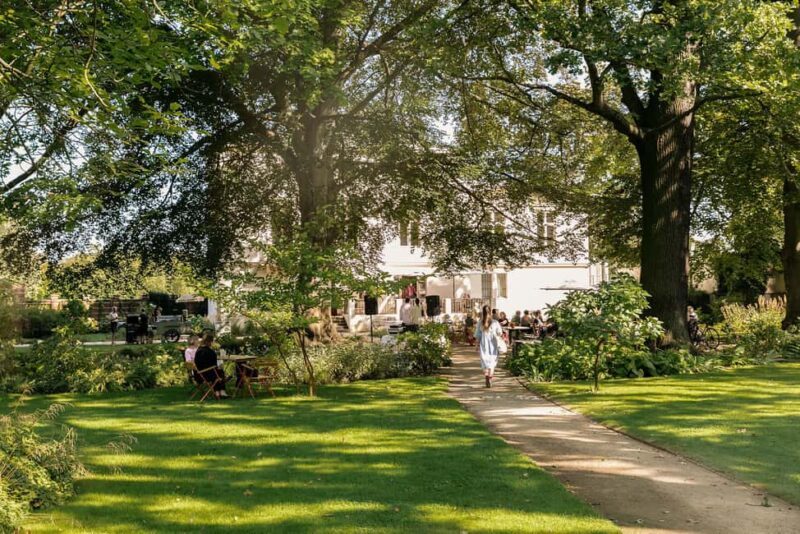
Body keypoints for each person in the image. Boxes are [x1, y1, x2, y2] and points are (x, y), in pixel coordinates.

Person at [475, 304, 502, 388]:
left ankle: (486, 377)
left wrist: (476, 345)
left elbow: (478, 335)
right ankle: (490, 377)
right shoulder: (495, 322)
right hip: (493, 344)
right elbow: (499, 333)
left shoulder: (480, 323)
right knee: (492, 362)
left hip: (484, 344)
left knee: (485, 362)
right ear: (490, 311)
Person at [193, 334, 228, 399]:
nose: (212, 343)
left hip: (198, 375)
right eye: (211, 342)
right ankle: (221, 392)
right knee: (220, 372)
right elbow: (213, 364)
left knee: (217, 372)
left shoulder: (199, 350)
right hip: (207, 375)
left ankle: (217, 392)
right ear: (208, 342)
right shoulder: (209, 352)